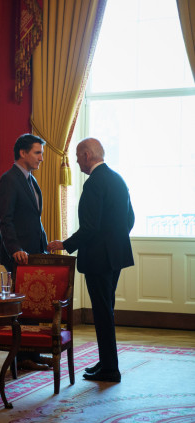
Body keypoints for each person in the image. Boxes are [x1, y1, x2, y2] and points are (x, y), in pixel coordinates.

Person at [48, 138, 134, 383]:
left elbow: (89, 228)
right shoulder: (118, 179)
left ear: (87, 155)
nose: (75, 161)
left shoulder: (94, 183)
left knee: (102, 312)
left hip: (98, 258)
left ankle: (110, 369)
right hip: (115, 256)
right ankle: (107, 362)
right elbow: (130, 219)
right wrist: (114, 240)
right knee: (106, 310)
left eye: (77, 155)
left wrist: (64, 245)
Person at [0, 133, 51, 370]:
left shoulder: (31, 179)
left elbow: (34, 219)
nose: (41, 158)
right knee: (23, 307)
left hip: (35, 251)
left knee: (33, 305)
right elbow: (5, 219)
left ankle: (33, 355)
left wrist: (44, 244)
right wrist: (15, 248)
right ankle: (22, 357)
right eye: (37, 153)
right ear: (23, 153)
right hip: (18, 254)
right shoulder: (9, 180)